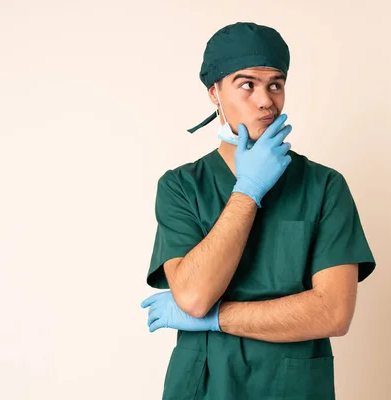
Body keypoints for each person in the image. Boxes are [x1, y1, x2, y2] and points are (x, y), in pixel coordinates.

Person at [140, 21, 376, 400]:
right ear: (214, 92)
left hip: (292, 388)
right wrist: (248, 192)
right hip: (203, 386)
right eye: (247, 85)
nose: (266, 100)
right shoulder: (181, 187)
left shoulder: (324, 187)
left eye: (276, 84)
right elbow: (195, 297)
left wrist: (216, 319)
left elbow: (333, 312)